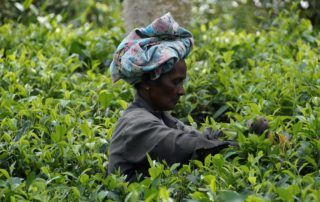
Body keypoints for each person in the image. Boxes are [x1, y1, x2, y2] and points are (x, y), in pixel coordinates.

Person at [107, 13, 267, 182]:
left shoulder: (161, 117)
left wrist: (246, 130)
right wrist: (241, 145)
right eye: (175, 82)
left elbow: (201, 136)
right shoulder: (136, 124)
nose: (182, 91)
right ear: (147, 82)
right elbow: (187, 146)